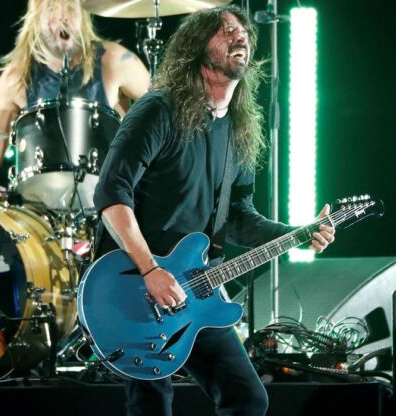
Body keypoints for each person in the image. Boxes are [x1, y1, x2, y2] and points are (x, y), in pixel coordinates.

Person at [92, 5, 336, 415]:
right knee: (152, 403)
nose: (240, 36)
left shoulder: (237, 130)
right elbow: (111, 195)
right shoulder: (158, 110)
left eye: (242, 32)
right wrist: (150, 269)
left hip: (197, 289)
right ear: (196, 48)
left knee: (248, 398)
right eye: (225, 31)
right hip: (132, 285)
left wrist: (298, 234)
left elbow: (238, 218)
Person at [0, 0, 150, 173]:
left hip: (111, 196)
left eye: (70, 7)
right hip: (40, 203)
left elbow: (164, 117)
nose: (63, 17)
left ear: (83, 16)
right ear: (36, 19)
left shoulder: (115, 61)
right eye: (53, 8)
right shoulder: (17, 77)